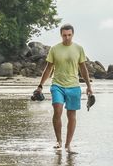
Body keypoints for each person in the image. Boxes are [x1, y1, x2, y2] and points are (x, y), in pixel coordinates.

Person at [37, 23, 93, 152]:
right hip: (57, 85)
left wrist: (89, 87)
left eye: (69, 35)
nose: (66, 38)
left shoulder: (79, 49)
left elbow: (83, 69)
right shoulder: (54, 49)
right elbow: (48, 68)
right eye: (64, 35)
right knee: (57, 111)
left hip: (74, 86)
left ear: (72, 34)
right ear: (61, 35)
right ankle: (58, 141)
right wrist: (40, 86)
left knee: (71, 115)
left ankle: (68, 144)